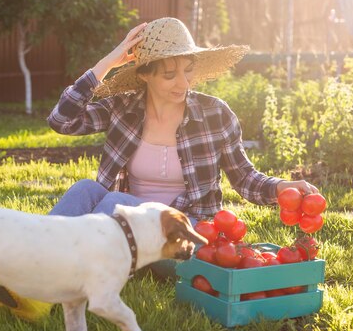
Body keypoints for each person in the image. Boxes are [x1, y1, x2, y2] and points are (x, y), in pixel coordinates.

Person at [44, 17, 319, 279]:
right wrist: (108, 63)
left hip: (187, 236)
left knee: (117, 203)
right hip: (128, 231)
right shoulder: (122, 108)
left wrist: (282, 186)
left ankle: (60, 276)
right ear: (144, 75)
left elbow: (245, 178)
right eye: (169, 75)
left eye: (187, 70)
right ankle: (35, 256)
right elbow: (62, 121)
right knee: (85, 189)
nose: (183, 83)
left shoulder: (215, 114)